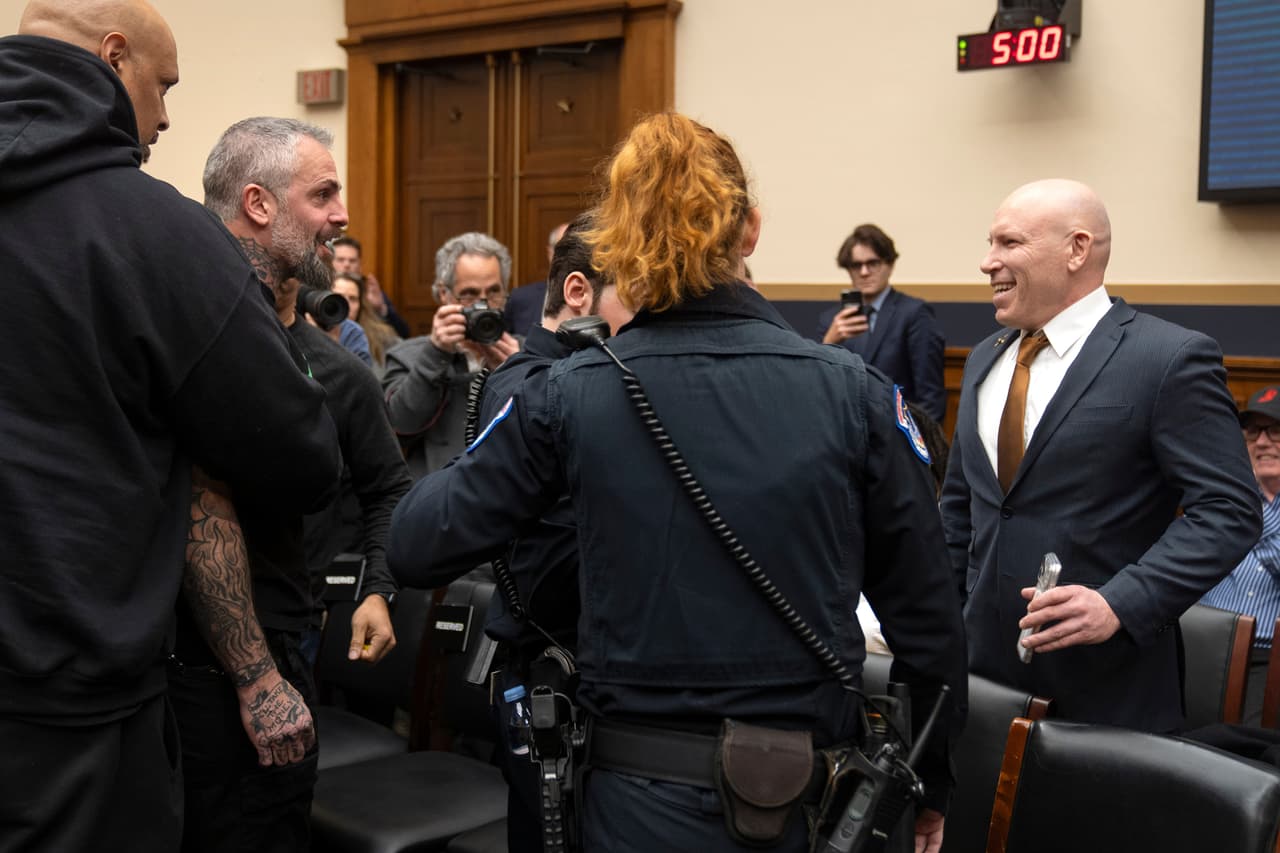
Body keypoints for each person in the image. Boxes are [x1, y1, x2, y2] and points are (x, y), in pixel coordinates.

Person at [388, 112, 967, 853]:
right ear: (750, 228)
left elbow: (415, 543)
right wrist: (932, 782)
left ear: (618, 241)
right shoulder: (857, 393)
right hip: (805, 802)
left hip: (629, 804)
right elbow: (929, 622)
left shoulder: (567, 394)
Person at [0, 4, 341, 852]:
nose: (162, 117)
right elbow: (300, 453)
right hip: (76, 715)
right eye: (162, 86)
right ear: (116, 57)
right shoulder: (148, 228)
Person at [940, 178, 1262, 733]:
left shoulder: (1168, 359)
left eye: (1008, 243)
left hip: (1107, 697)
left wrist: (1119, 602)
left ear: (1077, 249)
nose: (986, 262)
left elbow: (1229, 511)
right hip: (981, 690)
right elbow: (960, 513)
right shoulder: (982, 362)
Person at [168, 116, 355, 853]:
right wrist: (257, 676)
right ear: (258, 203)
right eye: (323, 194)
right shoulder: (216, 319)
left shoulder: (259, 322)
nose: (341, 214)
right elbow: (199, 495)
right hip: (222, 673)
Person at [382, 231, 521, 478]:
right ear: (444, 294)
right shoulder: (408, 357)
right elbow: (399, 424)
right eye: (469, 294)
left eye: (494, 292)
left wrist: (517, 371)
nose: (484, 305)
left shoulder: (525, 352)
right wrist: (436, 353)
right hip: (439, 499)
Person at [1201, 385, 1280, 725]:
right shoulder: (1214, 498)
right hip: (1205, 648)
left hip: (1270, 658)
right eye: (1252, 432)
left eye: (1276, 431)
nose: (1262, 442)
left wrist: (1243, 513)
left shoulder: (1228, 501)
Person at [818, 224, 947, 421]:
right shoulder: (832, 320)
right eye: (856, 265)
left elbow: (930, 397)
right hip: (845, 435)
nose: (864, 272)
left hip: (898, 436)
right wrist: (828, 344)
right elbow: (818, 387)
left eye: (873, 263)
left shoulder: (914, 313)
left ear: (890, 264)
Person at [331, 234, 412, 338]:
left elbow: (404, 333)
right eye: (341, 259)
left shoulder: (371, 292)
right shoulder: (319, 288)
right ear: (330, 262)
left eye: (352, 260)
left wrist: (381, 308)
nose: (347, 265)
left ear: (360, 265)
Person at [504, 221, 569, 336]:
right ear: (550, 253)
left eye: (576, 250)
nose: (570, 256)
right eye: (563, 249)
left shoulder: (597, 300)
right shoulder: (520, 299)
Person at [334, 270, 401, 374]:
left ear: (361, 305)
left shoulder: (383, 337)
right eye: (339, 297)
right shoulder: (313, 330)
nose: (346, 304)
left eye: (353, 299)